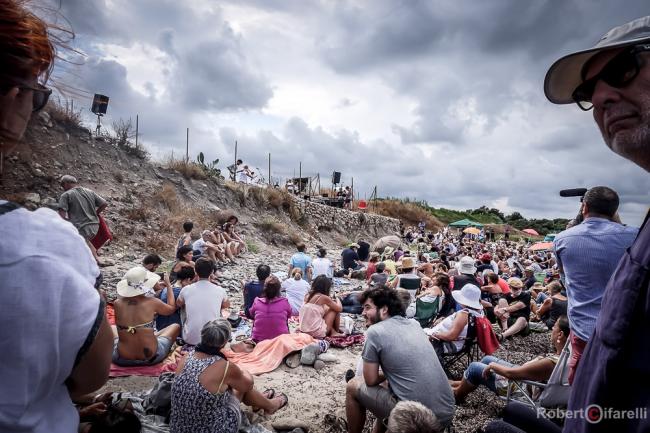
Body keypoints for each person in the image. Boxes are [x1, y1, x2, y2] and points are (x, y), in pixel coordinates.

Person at [0, 3, 113, 431]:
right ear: (15, 94)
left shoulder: (65, 203)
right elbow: (90, 378)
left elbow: (65, 215)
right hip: (78, 239)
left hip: (76, 233)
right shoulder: (36, 244)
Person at [545, 16, 650, 431]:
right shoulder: (631, 235)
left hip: (584, 337)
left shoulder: (567, 240)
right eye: (589, 91)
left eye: (622, 68)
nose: (602, 95)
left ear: (585, 208)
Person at [552, 186, 637, 383]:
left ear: (584, 207)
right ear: (615, 210)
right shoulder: (635, 235)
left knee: (582, 383)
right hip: (624, 330)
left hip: (584, 330)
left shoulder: (563, 238)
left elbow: (564, 278)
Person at [345, 286, 455, 432]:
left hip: (417, 419)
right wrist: (394, 373)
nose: (363, 312)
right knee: (391, 387)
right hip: (447, 413)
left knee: (353, 386)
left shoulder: (375, 332)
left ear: (384, 310)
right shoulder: (414, 325)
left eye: (367, 307)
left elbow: (370, 380)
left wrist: (390, 373)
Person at [170, 319, 288, 433]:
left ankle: (259, 402)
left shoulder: (186, 357)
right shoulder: (224, 367)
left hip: (178, 427)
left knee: (228, 384)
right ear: (224, 342)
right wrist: (240, 369)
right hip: (214, 429)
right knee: (242, 386)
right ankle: (270, 405)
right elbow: (248, 385)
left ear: (203, 335)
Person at [452, 315, 570, 403]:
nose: (552, 329)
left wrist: (493, 366)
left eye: (555, 326)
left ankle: (457, 395)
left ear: (560, 334)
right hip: (525, 378)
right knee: (487, 359)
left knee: (474, 367)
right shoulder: (565, 357)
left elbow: (511, 374)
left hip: (521, 388)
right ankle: (463, 383)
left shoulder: (550, 363)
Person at [112, 268, 180, 366]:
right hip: (152, 357)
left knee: (113, 328)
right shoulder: (152, 302)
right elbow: (171, 308)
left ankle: (150, 333)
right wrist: (169, 285)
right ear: (146, 285)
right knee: (175, 326)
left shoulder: (117, 303)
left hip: (122, 358)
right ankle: (153, 335)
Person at [176, 258, 230, 346]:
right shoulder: (219, 290)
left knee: (183, 306)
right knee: (220, 308)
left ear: (195, 271)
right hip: (213, 339)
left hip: (190, 339)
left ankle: (190, 329)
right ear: (212, 272)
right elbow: (226, 305)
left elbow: (178, 304)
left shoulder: (186, 289)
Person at [58, 175, 108, 262]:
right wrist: (96, 213)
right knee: (85, 241)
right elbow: (104, 203)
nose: (63, 188)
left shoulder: (66, 195)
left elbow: (61, 215)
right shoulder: (89, 192)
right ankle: (92, 258)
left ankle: (95, 260)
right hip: (95, 225)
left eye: (62, 185)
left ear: (66, 183)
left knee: (77, 239)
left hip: (81, 227)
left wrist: (64, 225)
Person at [426, 284, 484, 358]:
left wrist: (435, 334)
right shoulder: (479, 313)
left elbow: (451, 336)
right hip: (456, 342)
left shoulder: (463, 315)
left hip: (445, 343)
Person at [250, 276, 292, 342]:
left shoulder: (257, 301)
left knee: (256, 320)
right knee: (285, 320)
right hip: (280, 341)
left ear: (264, 289)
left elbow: (252, 315)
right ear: (278, 290)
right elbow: (289, 315)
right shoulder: (284, 302)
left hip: (259, 341)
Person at [156, 266, 196, 334]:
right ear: (188, 279)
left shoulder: (167, 288)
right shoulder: (181, 292)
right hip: (172, 328)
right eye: (191, 282)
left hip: (160, 325)